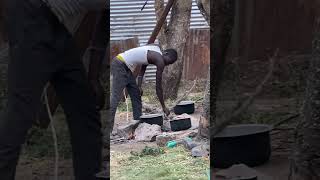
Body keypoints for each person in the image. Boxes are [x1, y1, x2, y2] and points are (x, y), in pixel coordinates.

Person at [0, 0, 106, 180]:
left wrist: (94, 77)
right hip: (31, 12)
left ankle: (90, 174)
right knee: (20, 110)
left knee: (85, 109)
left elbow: (102, 24)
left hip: (53, 23)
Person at [110, 44, 178, 132]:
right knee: (115, 97)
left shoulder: (155, 50)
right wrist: (164, 107)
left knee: (136, 94)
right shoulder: (160, 60)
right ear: (166, 53)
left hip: (125, 66)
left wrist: (139, 85)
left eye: (170, 64)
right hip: (119, 64)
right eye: (169, 61)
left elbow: (144, 64)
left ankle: (138, 123)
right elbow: (158, 87)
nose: (167, 64)